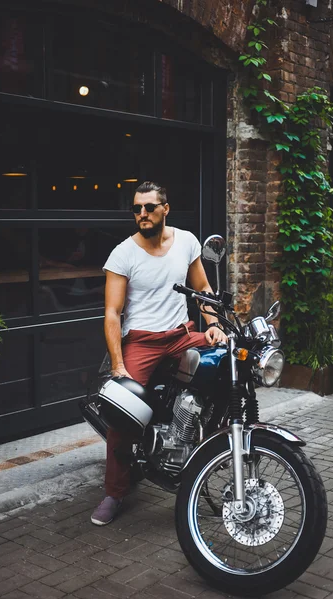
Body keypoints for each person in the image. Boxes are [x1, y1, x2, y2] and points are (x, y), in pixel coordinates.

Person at [91, 181, 227, 526]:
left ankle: (203, 446)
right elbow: (111, 313)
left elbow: (203, 289)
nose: (142, 214)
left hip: (181, 335)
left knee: (227, 360)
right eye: (137, 209)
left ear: (165, 209)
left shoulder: (185, 241)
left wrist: (212, 324)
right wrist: (119, 363)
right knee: (124, 410)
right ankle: (115, 492)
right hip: (142, 341)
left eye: (149, 207)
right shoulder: (123, 254)